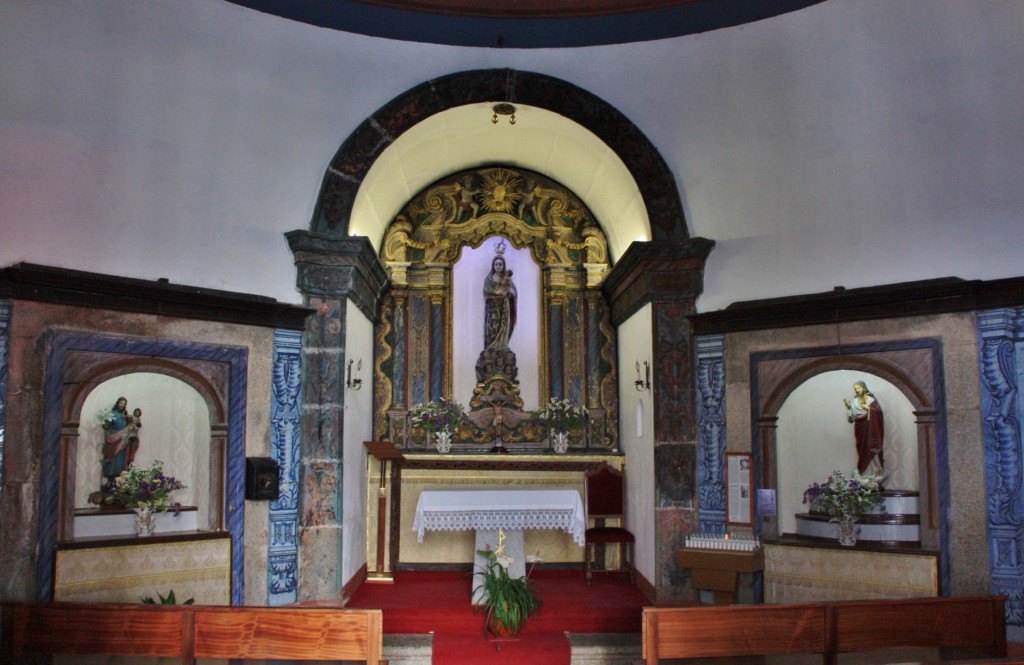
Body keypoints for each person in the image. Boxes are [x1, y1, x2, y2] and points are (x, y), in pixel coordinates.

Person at [844, 381, 885, 479]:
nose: (856, 390)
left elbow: (879, 413)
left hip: (870, 427)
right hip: (859, 427)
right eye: (855, 389)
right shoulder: (854, 401)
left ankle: (876, 470)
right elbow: (851, 419)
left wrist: (868, 408)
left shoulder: (871, 400)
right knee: (861, 447)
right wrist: (849, 408)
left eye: (858, 388)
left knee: (870, 446)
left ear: (864, 388)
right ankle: (865, 471)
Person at [101, 397, 141, 484]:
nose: (122, 405)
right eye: (121, 403)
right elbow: (107, 426)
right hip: (113, 438)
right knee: (112, 457)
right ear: (117, 403)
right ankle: (110, 478)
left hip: (123, 439)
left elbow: (134, 424)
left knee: (121, 458)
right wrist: (105, 424)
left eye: (124, 404)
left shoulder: (125, 416)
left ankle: (119, 477)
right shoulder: (112, 414)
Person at [483, 254, 517, 353]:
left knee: (504, 325)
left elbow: (513, 292)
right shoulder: (489, 279)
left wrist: (509, 291)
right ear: (493, 266)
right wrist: (498, 292)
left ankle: (502, 347)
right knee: (492, 327)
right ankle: (491, 348)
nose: (498, 266)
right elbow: (486, 290)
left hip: (504, 306)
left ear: (503, 266)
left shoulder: (506, 278)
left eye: (500, 264)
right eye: (496, 264)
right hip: (492, 307)